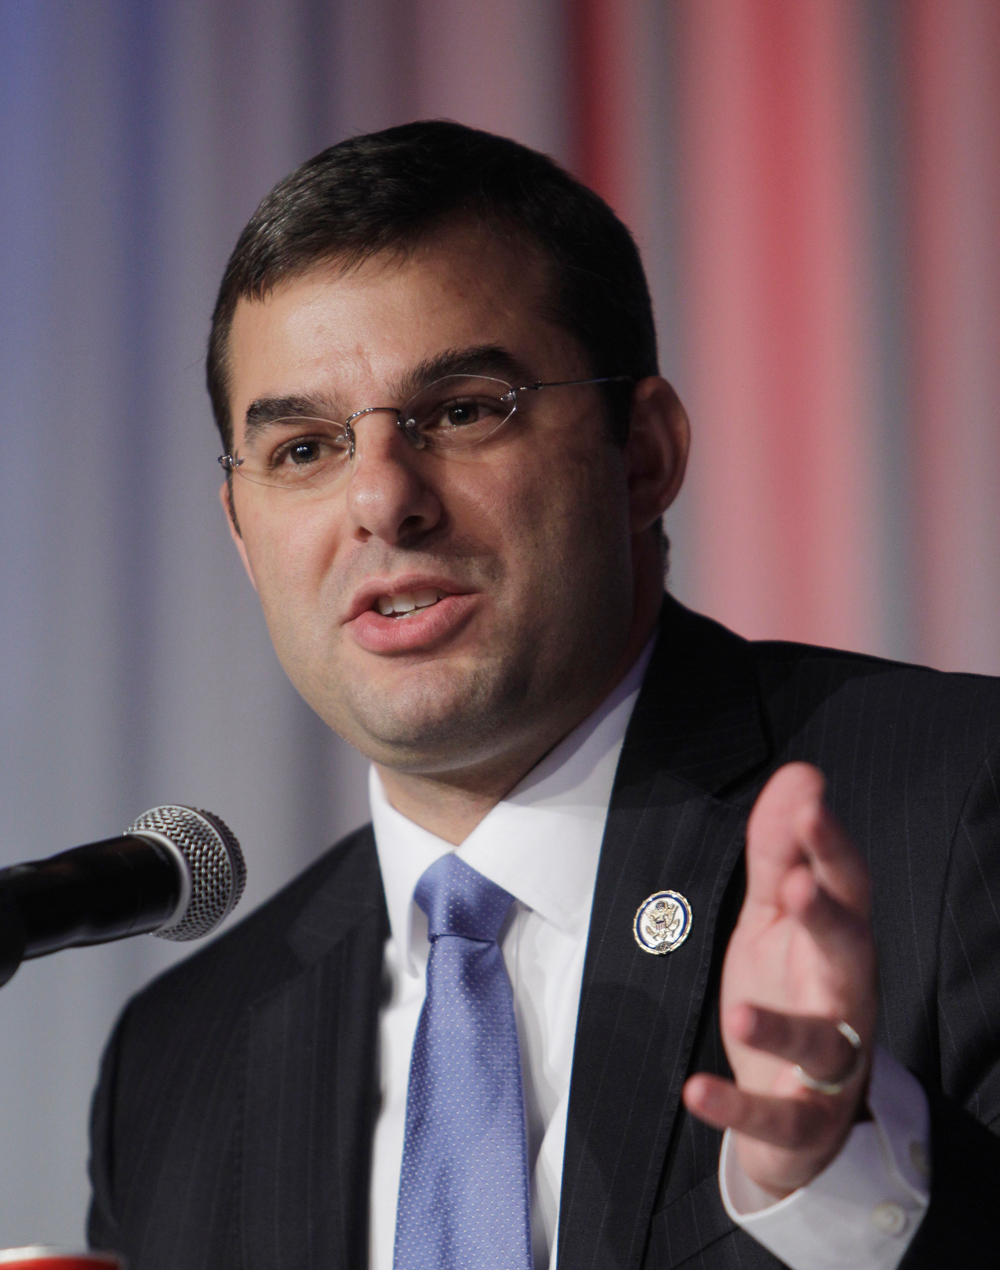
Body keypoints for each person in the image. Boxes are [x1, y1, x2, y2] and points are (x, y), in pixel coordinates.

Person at [87, 121, 1000, 1269]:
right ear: (241, 532)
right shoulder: (179, 1060)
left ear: (645, 454)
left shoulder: (961, 811)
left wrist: (836, 1183)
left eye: (464, 410)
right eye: (304, 449)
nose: (382, 499)